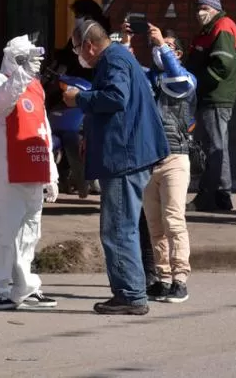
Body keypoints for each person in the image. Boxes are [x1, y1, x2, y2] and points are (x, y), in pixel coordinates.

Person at [63, 20, 168, 316]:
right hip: (128, 153)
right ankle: (130, 291)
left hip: (126, 157)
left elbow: (115, 98)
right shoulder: (118, 58)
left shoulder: (115, 60)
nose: (78, 55)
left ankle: (131, 295)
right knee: (123, 226)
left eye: (77, 49)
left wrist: (78, 98)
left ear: (89, 46)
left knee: (118, 228)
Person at [0, 35, 60, 310]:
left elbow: (42, 130)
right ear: (12, 58)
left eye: (33, 61)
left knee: (28, 234)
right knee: (0, 232)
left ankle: (25, 287)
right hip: (3, 170)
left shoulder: (35, 87)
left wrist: (52, 173)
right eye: (25, 60)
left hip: (32, 168)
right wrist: (21, 77)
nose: (31, 66)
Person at [120, 23, 196, 302]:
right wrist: (127, 41)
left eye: (168, 47)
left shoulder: (186, 78)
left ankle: (180, 279)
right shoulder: (149, 78)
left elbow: (175, 75)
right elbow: (128, 67)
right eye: (155, 48)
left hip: (176, 158)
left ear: (178, 53)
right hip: (149, 159)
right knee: (155, 225)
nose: (159, 52)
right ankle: (163, 278)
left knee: (174, 220)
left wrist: (161, 43)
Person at [50, 0, 112, 198]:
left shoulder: (98, 36)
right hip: (73, 87)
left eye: (79, 15)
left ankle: (88, 177)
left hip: (88, 91)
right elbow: (67, 56)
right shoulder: (78, 36)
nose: (76, 19)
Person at [185, 0, 236, 213]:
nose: (200, 12)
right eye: (198, 8)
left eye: (204, 8)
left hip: (214, 97)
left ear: (214, 9)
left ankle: (209, 196)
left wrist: (197, 85)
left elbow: (222, 65)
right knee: (219, 146)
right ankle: (221, 195)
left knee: (214, 147)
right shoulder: (211, 29)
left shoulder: (223, 27)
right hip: (212, 97)